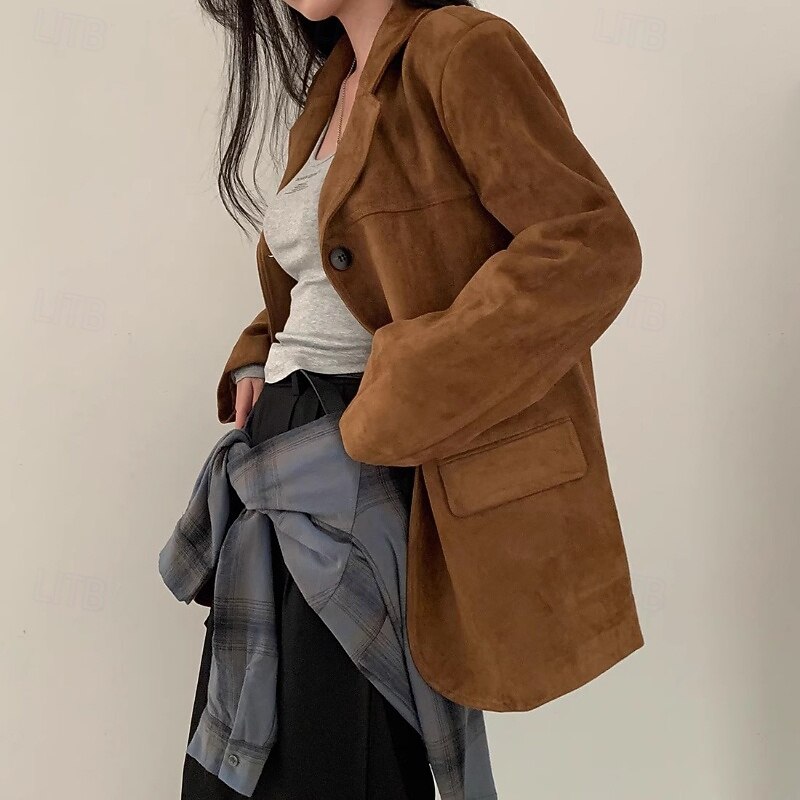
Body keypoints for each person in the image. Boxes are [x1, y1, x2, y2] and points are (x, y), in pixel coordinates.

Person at [184, 0, 645, 797]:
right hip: (285, 473)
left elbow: (588, 246)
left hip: (365, 482)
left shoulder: (460, 50)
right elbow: (338, 269)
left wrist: (397, 394)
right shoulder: (332, 87)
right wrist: (262, 348)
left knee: (341, 769)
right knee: (248, 771)